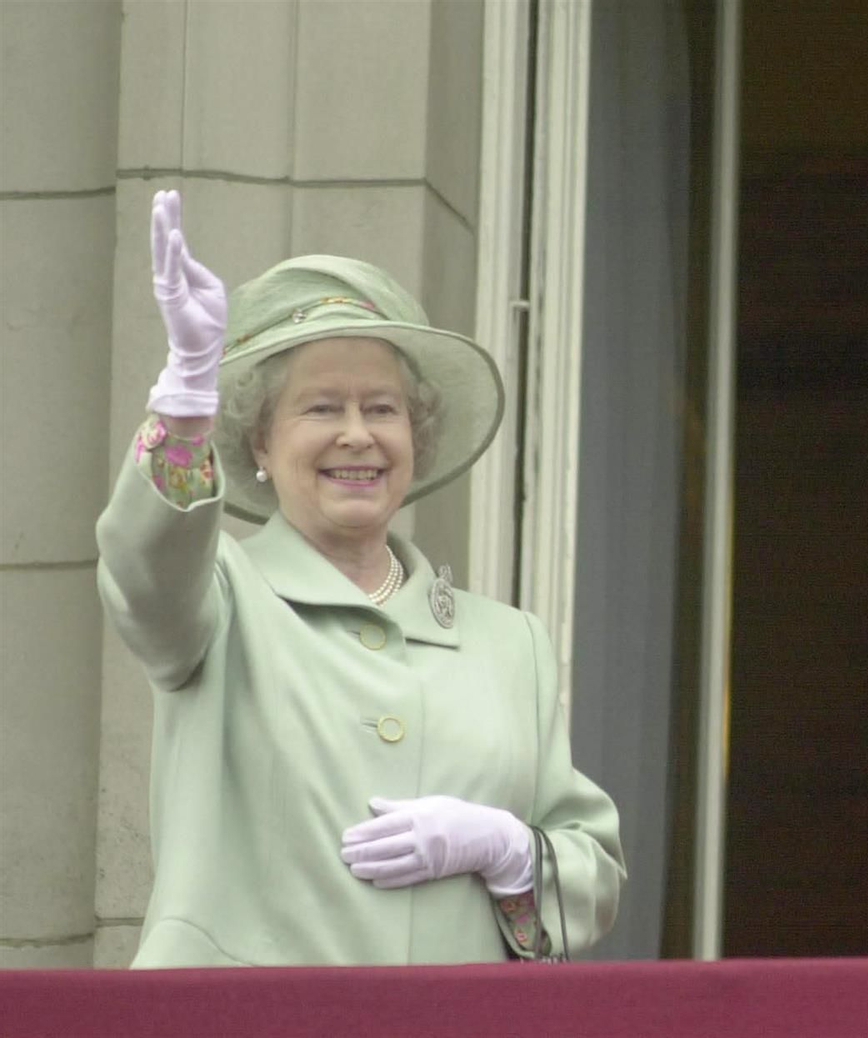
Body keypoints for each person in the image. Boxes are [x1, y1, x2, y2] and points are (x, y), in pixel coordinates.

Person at [96, 191, 625, 967]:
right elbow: (145, 573)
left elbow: (590, 872)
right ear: (261, 446)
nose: (357, 434)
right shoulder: (218, 600)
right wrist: (185, 401)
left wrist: (513, 852)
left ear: (416, 438)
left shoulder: (512, 645)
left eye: (383, 408)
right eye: (320, 408)